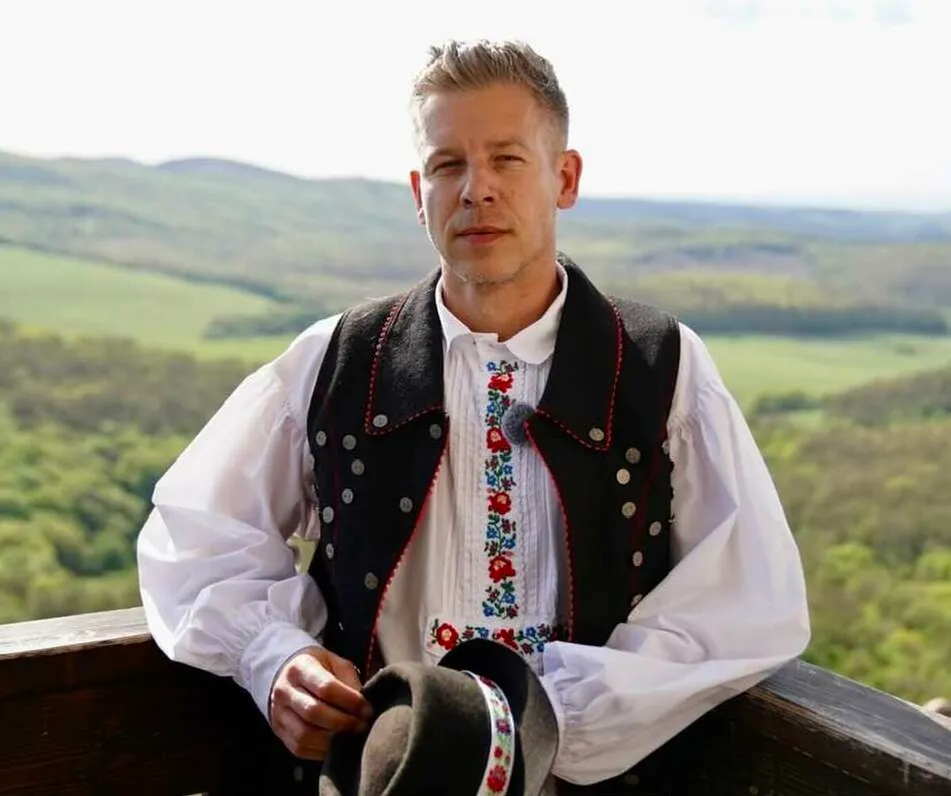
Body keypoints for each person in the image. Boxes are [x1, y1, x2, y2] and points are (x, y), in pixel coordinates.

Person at [136, 38, 811, 794]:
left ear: (564, 177)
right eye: (448, 164)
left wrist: (547, 723)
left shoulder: (661, 365)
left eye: (506, 160)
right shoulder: (337, 358)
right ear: (417, 191)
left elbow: (749, 601)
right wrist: (273, 657)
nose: (475, 189)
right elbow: (194, 537)